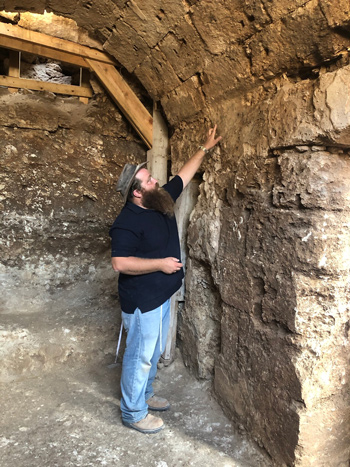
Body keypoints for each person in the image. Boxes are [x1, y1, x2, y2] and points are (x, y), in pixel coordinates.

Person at [109, 125, 222, 434]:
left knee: (152, 352)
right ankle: (133, 412)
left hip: (161, 295)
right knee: (140, 356)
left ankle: (144, 395)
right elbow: (119, 262)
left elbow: (182, 177)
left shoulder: (158, 200)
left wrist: (205, 147)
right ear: (136, 191)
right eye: (148, 179)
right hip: (142, 300)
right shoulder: (126, 222)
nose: (155, 180)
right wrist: (160, 263)